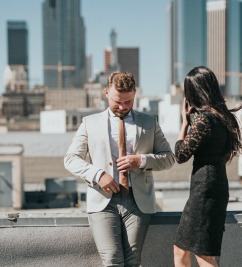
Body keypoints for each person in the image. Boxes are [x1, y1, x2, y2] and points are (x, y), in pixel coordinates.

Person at [64, 71, 175, 267]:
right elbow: (71, 159)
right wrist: (98, 175)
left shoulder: (149, 122)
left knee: (133, 261)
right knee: (112, 260)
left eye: (128, 101)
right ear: (106, 93)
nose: (123, 107)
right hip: (103, 200)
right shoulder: (89, 123)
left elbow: (168, 158)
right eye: (117, 101)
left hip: (138, 200)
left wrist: (141, 160)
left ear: (135, 93)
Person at [173, 66, 242, 267]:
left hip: (204, 190)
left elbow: (180, 154)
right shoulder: (224, 117)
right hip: (215, 185)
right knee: (182, 250)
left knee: (203, 255)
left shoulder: (204, 119)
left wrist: (184, 123)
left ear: (194, 92)